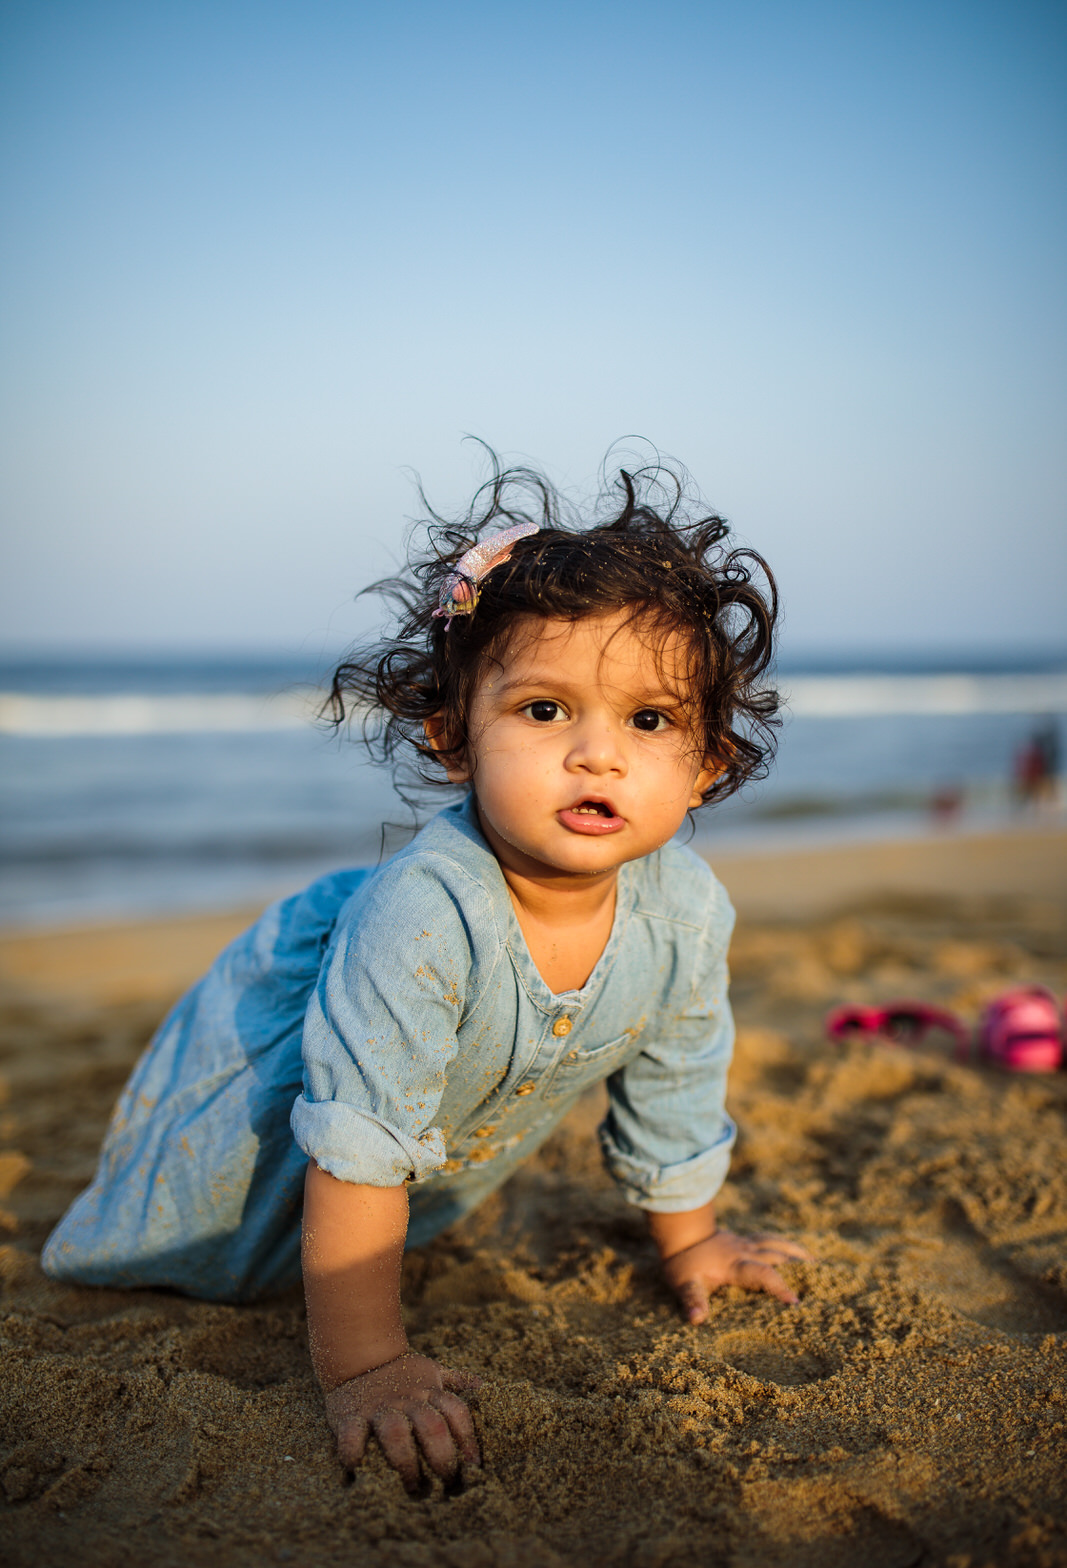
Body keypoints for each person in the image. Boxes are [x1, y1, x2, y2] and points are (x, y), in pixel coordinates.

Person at [42, 452, 812, 1491]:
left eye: (648, 720)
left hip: (396, 1207)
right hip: (255, 1178)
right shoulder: (424, 913)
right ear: (454, 736)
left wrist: (691, 1242)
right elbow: (356, 1145)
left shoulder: (683, 912)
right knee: (188, 1248)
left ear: (706, 762)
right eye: (543, 711)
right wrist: (367, 1367)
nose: (597, 754)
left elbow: (674, 1080)